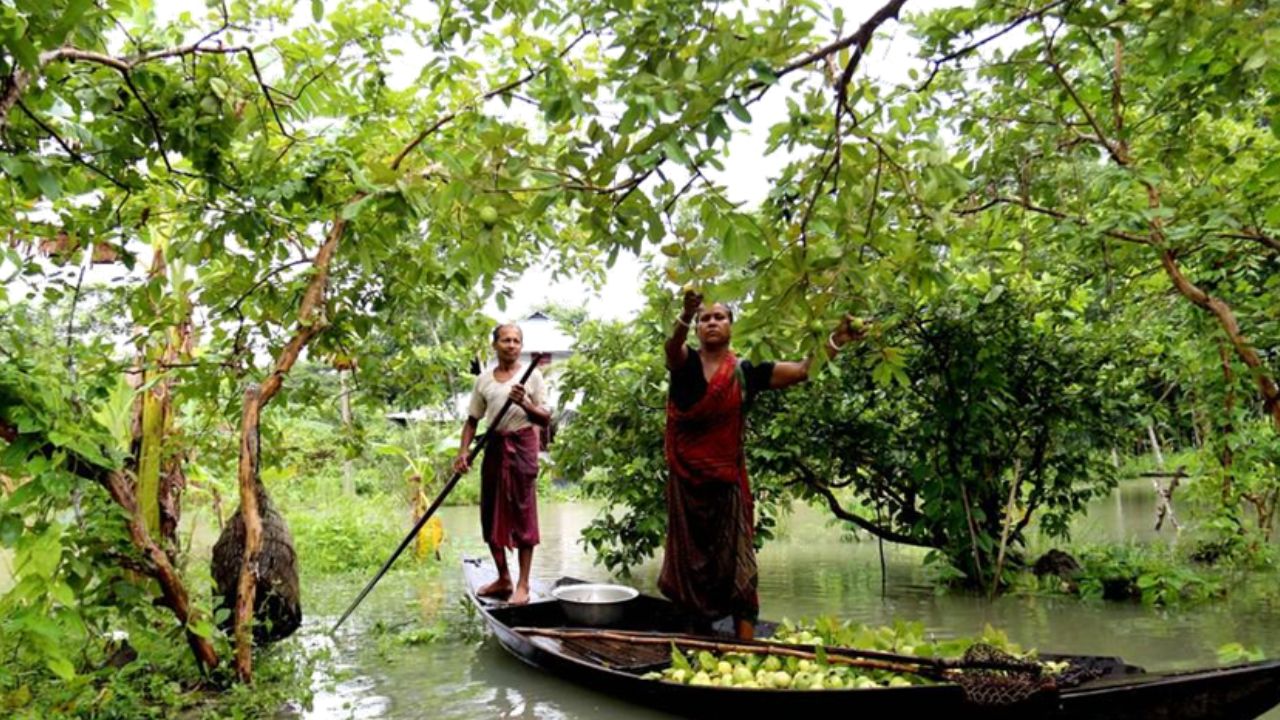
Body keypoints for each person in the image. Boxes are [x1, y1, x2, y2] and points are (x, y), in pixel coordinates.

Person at [659, 289, 864, 639]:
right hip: (686, 483)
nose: (711, 323)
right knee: (688, 569)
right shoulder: (685, 363)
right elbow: (670, 349)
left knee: (739, 564)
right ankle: (691, 643)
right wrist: (685, 312)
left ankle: (746, 648)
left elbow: (802, 370)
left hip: (727, 484)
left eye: (719, 317)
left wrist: (837, 340)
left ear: (730, 327)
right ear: (695, 329)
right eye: (704, 318)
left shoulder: (744, 373)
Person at [454, 324, 551, 605]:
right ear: (495, 345)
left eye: (516, 341)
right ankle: (503, 578)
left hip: (522, 448)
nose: (511, 345)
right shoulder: (483, 380)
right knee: (490, 513)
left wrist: (524, 404)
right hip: (495, 447)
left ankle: (523, 585)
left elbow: (544, 418)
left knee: (523, 516)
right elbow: (472, 420)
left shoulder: (531, 377)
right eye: (506, 340)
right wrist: (463, 452)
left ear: (521, 346)